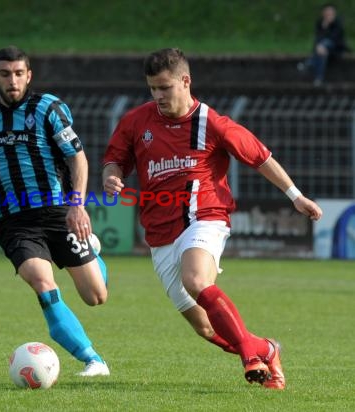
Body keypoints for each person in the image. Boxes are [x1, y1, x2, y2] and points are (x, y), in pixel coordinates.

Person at [102, 48, 323, 389]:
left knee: (196, 279)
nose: (158, 96)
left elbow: (260, 157)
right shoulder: (136, 121)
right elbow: (115, 159)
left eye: (165, 87)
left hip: (204, 215)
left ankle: (250, 356)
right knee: (205, 328)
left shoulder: (212, 123)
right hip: (160, 232)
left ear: (185, 81)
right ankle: (266, 347)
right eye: (152, 89)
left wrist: (295, 196)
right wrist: (111, 176)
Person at [0, 46, 110, 377]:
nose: (12, 80)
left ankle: (94, 250)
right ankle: (92, 359)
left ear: (28, 75)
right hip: (16, 221)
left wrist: (77, 206)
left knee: (95, 296)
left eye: (19, 73)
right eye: (5, 74)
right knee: (41, 282)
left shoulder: (49, 109)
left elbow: (78, 158)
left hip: (58, 211)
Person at [297, 3, 350, 86]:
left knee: (325, 44)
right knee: (322, 53)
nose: (328, 14)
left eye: (330, 12)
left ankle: (308, 64)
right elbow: (317, 39)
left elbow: (335, 38)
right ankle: (318, 78)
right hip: (323, 51)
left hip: (336, 48)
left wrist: (327, 27)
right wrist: (324, 27)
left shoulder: (337, 23)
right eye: (327, 12)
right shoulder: (320, 23)